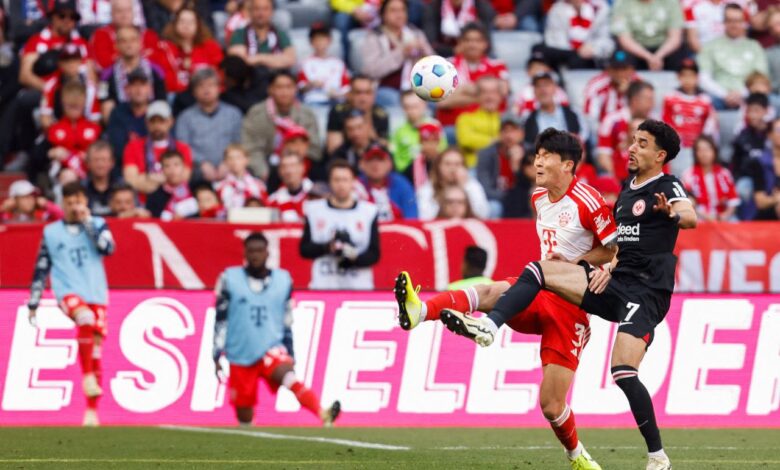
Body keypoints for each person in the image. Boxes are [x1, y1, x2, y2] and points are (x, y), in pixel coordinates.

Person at [440, 120, 697, 470]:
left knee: (622, 371)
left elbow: (689, 215)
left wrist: (675, 213)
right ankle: (489, 326)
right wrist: (595, 266)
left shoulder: (667, 186)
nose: (632, 148)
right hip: (613, 283)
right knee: (540, 269)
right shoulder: (628, 190)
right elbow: (617, 246)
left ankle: (657, 457)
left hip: (648, 292)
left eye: (641, 143)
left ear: (660, 155)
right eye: (633, 141)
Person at [395, 128, 616, 470]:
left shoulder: (588, 200)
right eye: (537, 155)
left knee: (552, 405)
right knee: (492, 290)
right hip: (540, 291)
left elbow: (615, 249)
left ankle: (577, 456)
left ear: (568, 165)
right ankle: (420, 310)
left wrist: (578, 265)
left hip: (573, 305)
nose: (537, 161)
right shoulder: (537, 197)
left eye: (546, 156)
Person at [214, 232, 341, 426]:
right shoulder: (229, 279)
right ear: (245, 254)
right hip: (240, 350)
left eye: (259, 250)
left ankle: (322, 413)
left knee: (288, 376)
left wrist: (290, 352)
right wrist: (216, 354)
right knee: (243, 410)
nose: (255, 255)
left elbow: (287, 320)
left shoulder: (283, 280)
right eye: (251, 251)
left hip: (271, 345)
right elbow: (220, 319)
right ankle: (248, 432)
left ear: (267, 252)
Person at [27, 182, 116, 427]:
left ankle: (91, 412)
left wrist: (88, 222)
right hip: (67, 292)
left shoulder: (98, 224)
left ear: (85, 202)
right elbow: (42, 266)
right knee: (84, 318)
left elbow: (108, 249)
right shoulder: (52, 232)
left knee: (96, 350)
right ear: (63, 203)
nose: (75, 207)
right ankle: (87, 376)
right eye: (70, 202)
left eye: (79, 201)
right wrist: (34, 299)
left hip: (96, 293)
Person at [300, 159, 380, 290]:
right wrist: (327, 247)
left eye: (345, 180)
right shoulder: (314, 210)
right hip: (323, 286)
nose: (341, 185)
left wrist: (352, 256)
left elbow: (374, 255)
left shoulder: (368, 212)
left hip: (359, 287)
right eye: (336, 180)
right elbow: (304, 250)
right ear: (329, 182)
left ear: (353, 182)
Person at [241, 70, 321, 181]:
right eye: (279, 87)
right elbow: (251, 149)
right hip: (267, 167)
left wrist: (299, 153)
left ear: (295, 89)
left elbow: (315, 149)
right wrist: (264, 174)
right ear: (270, 89)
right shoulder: (256, 114)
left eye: (289, 87)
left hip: (300, 167)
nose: (284, 92)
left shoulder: (306, 114)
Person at [435, 22, 509, 134]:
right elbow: (441, 102)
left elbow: (503, 92)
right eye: (468, 40)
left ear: (485, 44)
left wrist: (460, 91)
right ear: (460, 43)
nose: (472, 45)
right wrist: (482, 95)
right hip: (453, 127)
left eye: (477, 41)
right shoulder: (446, 65)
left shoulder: (497, 65)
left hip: (488, 127)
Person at [361, 0, 434, 108]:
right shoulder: (375, 37)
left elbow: (435, 63)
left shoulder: (416, 33)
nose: (399, 15)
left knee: (435, 101)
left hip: (417, 86)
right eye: (393, 11)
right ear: (383, 14)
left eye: (402, 10)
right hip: (386, 88)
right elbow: (370, 70)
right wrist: (402, 53)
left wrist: (424, 50)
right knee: (400, 102)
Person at [175, 67, 243, 182]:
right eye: (201, 86)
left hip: (230, 165)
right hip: (197, 170)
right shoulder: (185, 118)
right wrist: (201, 163)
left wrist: (228, 162)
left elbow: (239, 142)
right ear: (194, 91)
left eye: (211, 85)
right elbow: (183, 147)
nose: (206, 90)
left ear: (219, 88)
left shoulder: (233, 114)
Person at [698, 3, 768, 110]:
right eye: (730, 20)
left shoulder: (754, 46)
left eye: (738, 21)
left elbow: (760, 78)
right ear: (724, 22)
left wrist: (741, 94)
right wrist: (725, 95)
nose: (734, 25)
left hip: (748, 96)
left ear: (744, 22)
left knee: (765, 100)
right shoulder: (710, 46)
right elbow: (704, 78)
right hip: (718, 96)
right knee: (702, 100)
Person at [122, 100, 193, 196]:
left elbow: (184, 178)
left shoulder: (182, 148)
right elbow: (130, 181)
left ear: (170, 121)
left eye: (161, 121)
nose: (157, 126)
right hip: (142, 203)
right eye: (153, 121)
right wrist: (168, 177)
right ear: (146, 123)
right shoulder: (133, 146)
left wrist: (148, 178)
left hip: (174, 201)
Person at [662, 59, 719, 177]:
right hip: (677, 148)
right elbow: (665, 124)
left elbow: (710, 127)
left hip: (698, 150)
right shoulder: (670, 98)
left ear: (697, 77)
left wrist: (701, 146)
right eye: (684, 75)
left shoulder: (705, 100)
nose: (688, 79)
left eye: (691, 75)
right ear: (678, 77)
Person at [98, 25, 167, 121]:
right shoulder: (106, 75)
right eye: (123, 41)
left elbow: (161, 99)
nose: (129, 45)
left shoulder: (156, 70)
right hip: (121, 118)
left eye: (133, 40)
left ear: (140, 43)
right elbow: (103, 99)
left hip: (151, 118)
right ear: (116, 45)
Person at [227, 0, 296, 95]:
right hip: (249, 89)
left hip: (278, 89)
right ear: (250, 11)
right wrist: (276, 60)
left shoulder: (279, 34)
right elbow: (239, 62)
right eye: (257, 9)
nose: (261, 13)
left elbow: (290, 59)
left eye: (265, 9)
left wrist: (258, 58)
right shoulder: (239, 34)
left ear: (272, 12)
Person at [151, 5, 224, 94]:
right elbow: (165, 78)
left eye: (191, 22)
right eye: (182, 21)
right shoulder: (164, 48)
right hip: (177, 95)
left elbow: (218, 73)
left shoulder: (211, 47)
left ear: (198, 25)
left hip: (206, 93)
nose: (186, 25)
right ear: (175, 24)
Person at [45, 80, 103, 184]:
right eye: (70, 106)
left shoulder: (94, 128)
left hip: (90, 171)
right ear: (63, 103)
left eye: (77, 106)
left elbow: (102, 152)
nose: (73, 110)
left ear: (84, 103)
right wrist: (52, 153)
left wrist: (89, 156)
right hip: (62, 172)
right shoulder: (54, 129)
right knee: (68, 176)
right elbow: (41, 155)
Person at [596, 81, 655, 181]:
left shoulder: (655, 123)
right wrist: (617, 184)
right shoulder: (612, 120)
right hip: (618, 179)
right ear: (635, 100)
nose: (652, 104)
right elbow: (604, 155)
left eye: (652, 99)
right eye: (648, 99)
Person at [610, 0, 685, 71]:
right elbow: (625, 39)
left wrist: (658, 56)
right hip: (635, 48)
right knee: (622, 58)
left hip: (664, 48)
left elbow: (675, 37)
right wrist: (649, 57)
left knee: (680, 58)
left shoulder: (671, 2)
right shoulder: (622, 3)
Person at [417, 147, 489, 220]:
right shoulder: (428, 188)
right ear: (438, 166)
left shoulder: (472, 185)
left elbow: (483, 215)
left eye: (457, 164)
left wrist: (464, 188)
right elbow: (425, 217)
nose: (452, 168)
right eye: (447, 164)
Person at [539, 0, 613, 70]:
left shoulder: (601, 8)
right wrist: (577, 51)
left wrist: (594, 49)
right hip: (567, 58)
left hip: (593, 58)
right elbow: (555, 41)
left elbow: (606, 39)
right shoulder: (556, 10)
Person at [326, 75, 389, 155]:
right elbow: (333, 149)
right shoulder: (338, 112)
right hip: (344, 158)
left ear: (374, 95)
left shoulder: (381, 115)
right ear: (349, 95)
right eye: (358, 93)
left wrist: (371, 135)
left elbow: (384, 148)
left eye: (367, 93)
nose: (363, 98)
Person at [477, 115, 526, 218]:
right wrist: (511, 198)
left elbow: (531, 187)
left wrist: (517, 168)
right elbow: (485, 189)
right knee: (494, 207)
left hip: (522, 200)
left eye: (513, 130)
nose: (509, 135)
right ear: (499, 134)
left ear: (522, 134)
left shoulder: (530, 154)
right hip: (498, 199)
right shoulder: (486, 154)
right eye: (505, 131)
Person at [89, 0, 159, 72]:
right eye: (119, 11)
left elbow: (157, 61)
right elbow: (103, 64)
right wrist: (137, 56)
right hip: (114, 79)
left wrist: (120, 56)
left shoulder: (148, 35)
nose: (124, 15)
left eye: (128, 10)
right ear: (112, 13)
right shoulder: (101, 35)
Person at [681, 135, 739, 221]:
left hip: (723, 217)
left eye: (707, 149)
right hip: (698, 217)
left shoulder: (724, 173)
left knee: (735, 222)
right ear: (695, 153)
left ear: (714, 151)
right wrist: (705, 216)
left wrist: (725, 215)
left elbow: (733, 200)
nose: (704, 153)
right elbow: (687, 202)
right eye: (700, 150)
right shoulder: (688, 175)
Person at [391, 90, 447, 178]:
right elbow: (395, 158)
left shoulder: (434, 125)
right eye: (407, 107)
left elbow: (442, 151)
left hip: (433, 170)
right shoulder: (397, 129)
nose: (411, 110)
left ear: (424, 105)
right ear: (402, 108)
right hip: (407, 174)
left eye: (415, 106)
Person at [104, 67, 153, 167]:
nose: (138, 90)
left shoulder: (157, 112)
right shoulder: (118, 113)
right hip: (125, 166)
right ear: (127, 89)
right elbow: (118, 149)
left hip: (153, 165)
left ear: (149, 89)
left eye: (142, 85)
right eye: (134, 85)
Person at [357, 143, 418, 221]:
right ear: (362, 164)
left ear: (389, 163)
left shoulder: (402, 184)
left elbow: (412, 218)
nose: (375, 164)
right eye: (370, 159)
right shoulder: (356, 186)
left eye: (380, 159)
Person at [523, 72, 587, 146]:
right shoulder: (528, 118)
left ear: (555, 88)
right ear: (534, 91)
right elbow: (528, 144)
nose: (543, 90)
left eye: (546, 85)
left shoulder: (573, 112)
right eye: (538, 86)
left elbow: (583, 136)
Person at [297, 23, 350, 107]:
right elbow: (300, 88)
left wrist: (337, 95)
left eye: (323, 39)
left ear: (329, 40)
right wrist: (311, 85)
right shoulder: (305, 63)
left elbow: (346, 88)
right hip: (314, 101)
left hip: (336, 103)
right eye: (316, 39)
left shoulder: (338, 63)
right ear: (311, 42)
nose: (320, 43)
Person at [455, 76, 503, 168]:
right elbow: (466, 140)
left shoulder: (506, 119)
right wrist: (496, 141)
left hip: (500, 168)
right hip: (474, 168)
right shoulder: (465, 117)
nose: (489, 96)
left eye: (493, 92)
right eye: (484, 92)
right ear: (477, 96)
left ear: (500, 95)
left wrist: (480, 141)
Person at [422, 0, 495, 57]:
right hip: (442, 56)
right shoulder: (434, 7)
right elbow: (431, 42)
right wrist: (453, 50)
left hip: (476, 54)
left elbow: (486, 40)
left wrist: (470, 45)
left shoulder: (482, 7)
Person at [583, 50, 638, 124]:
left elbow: (645, 115)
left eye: (624, 69)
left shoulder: (639, 84)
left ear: (632, 70)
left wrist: (629, 93)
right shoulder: (597, 85)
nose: (620, 73)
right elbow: (590, 118)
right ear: (608, 69)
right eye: (616, 69)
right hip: (603, 131)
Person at [684, 0, 757, 53]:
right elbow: (692, 40)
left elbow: (742, 33)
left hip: (731, 51)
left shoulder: (734, 6)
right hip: (702, 51)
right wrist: (709, 57)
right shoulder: (693, 7)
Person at [513, 51, 570, 118]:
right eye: (534, 67)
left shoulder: (558, 91)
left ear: (549, 69)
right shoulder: (522, 93)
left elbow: (566, 114)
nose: (539, 70)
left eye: (541, 66)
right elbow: (516, 113)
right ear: (528, 72)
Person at [145, 150, 198, 220]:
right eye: (167, 166)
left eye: (176, 165)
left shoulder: (196, 189)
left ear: (184, 167)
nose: (172, 170)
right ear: (162, 170)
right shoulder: (154, 197)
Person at [745, 117, 780, 220]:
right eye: (778, 130)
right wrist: (776, 199)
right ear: (769, 135)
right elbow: (760, 202)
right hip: (765, 213)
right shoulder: (760, 162)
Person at [215, 144, 267, 211]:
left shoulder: (259, 185)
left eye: (238, 157)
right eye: (230, 158)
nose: (235, 162)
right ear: (225, 161)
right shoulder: (219, 187)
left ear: (246, 159)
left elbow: (265, 209)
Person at [730, 92, 771, 178]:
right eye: (749, 111)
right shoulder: (742, 136)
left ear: (766, 110)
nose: (752, 115)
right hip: (749, 179)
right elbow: (736, 166)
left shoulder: (774, 134)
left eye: (756, 111)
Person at [266, 151, 314, 222]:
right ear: (279, 171)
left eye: (292, 165)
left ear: (302, 167)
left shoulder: (317, 195)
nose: (288, 171)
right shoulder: (273, 202)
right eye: (284, 167)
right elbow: (272, 229)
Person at [83, 141, 120, 216]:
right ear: (87, 163)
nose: (100, 164)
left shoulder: (123, 187)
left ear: (112, 162)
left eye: (104, 160)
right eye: (96, 160)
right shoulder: (80, 189)